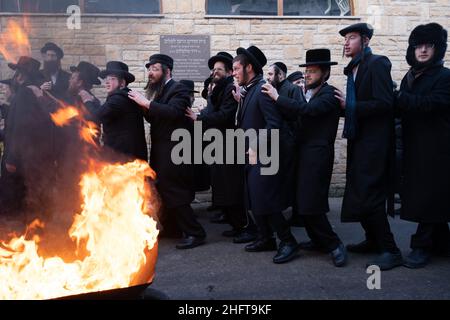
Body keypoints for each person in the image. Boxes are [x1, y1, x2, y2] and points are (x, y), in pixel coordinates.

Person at [265, 49, 348, 267]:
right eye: (307, 71)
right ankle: (319, 241)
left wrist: (277, 97)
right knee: (303, 204)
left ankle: (334, 245)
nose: (308, 75)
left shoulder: (330, 95)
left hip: (317, 156)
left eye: (313, 71)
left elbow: (308, 111)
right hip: (303, 155)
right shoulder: (308, 93)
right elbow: (298, 113)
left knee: (312, 204)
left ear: (326, 73)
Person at [335, 23, 402, 270]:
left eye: (351, 38)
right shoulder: (354, 68)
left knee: (370, 195)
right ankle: (373, 240)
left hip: (374, 143)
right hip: (359, 140)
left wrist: (349, 107)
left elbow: (385, 104)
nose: (346, 42)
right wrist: (344, 110)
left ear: (365, 40)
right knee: (360, 193)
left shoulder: (378, 63)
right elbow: (358, 107)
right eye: (344, 39)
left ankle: (391, 249)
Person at [128, 54, 206, 249]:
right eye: (149, 69)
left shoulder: (178, 89)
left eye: (154, 69)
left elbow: (173, 113)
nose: (150, 73)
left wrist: (146, 103)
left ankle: (196, 233)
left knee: (175, 191)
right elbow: (158, 118)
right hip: (163, 151)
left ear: (167, 70)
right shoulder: (162, 91)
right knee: (164, 189)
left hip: (175, 150)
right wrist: (143, 107)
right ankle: (174, 229)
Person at [233, 45, 298, 264]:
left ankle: (288, 242)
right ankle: (266, 238)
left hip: (265, 156)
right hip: (252, 156)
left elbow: (275, 125)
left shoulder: (262, 90)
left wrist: (254, 146)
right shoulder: (249, 91)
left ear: (249, 67)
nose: (233, 73)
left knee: (267, 201)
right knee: (255, 199)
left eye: (236, 68)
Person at [186, 51, 257, 244]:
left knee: (232, 190)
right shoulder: (216, 90)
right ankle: (236, 226)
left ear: (227, 72)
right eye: (213, 69)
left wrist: (199, 118)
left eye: (219, 69)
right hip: (217, 145)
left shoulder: (228, 89)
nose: (214, 72)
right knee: (223, 188)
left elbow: (225, 116)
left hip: (229, 145)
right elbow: (213, 112)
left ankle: (246, 227)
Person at [395, 23, 450, 268]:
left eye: (429, 45)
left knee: (429, 196)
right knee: (429, 196)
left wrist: (401, 98)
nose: (424, 50)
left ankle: (421, 246)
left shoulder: (445, 76)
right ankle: (442, 243)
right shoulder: (410, 75)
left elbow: (434, 104)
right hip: (414, 145)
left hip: (437, 146)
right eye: (419, 46)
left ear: (438, 49)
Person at [4, 56, 55, 221]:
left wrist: (11, 158)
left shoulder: (26, 93)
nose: (15, 76)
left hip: (22, 159)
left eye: (18, 72)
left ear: (21, 75)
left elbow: (21, 127)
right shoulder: (32, 92)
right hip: (30, 157)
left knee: (19, 199)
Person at [82, 61, 148, 162]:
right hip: (130, 158)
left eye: (112, 79)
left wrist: (87, 101)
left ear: (122, 83)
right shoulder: (124, 96)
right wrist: (93, 102)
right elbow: (105, 112)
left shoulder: (118, 99)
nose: (107, 82)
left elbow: (94, 117)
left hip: (123, 160)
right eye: (107, 79)